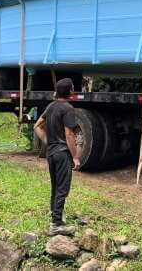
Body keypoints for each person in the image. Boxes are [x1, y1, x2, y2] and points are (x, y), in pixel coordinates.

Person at [34, 78, 81, 236]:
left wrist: (48, 141)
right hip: (62, 154)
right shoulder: (68, 108)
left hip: (51, 153)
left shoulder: (51, 106)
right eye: (73, 88)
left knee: (56, 186)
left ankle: (55, 216)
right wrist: (75, 157)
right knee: (63, 188)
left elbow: (37, 126)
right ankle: (56, 224)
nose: (74, 90)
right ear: (69, 91)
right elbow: (69, 134)